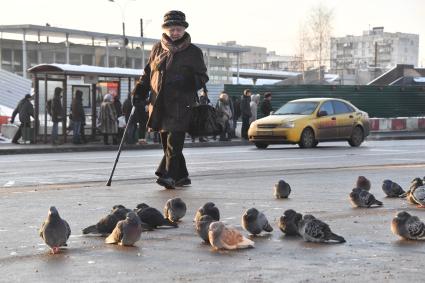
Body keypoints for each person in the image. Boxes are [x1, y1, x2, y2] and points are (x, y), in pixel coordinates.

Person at [131, 10, 209, 189]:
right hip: (159, 104)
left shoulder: (193, 52)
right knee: (167, 144)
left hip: (182, 104)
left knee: (174, 143)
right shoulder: (158, 48)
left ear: (184, 30)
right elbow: (148, 73)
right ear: (166, 30)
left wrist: (186, 80)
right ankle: (182, 176)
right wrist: (139, 91)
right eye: (172, 29)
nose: (175, 33)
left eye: (179, 29)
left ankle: (169, 176)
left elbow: (203, 77)